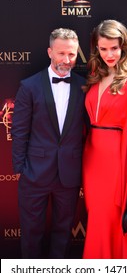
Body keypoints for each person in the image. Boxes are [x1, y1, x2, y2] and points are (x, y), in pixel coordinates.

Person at [82, 19, 127, 259]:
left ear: (124, 47)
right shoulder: (95, 76)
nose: (109, 54)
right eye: (103, 49)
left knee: (112, 223)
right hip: (91, 159)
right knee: (96, 220)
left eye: (114, 48)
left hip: (116, 163)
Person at [11, 28, 86, 258]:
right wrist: (21, 169)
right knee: (32, 234)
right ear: (50, 52)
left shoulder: (85, 87)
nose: (67, 60)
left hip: (69, 175)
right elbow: (20, 130)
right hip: (35, 174)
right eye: (61, 53)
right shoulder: (29, 86)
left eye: (72, 54)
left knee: (63, 234)